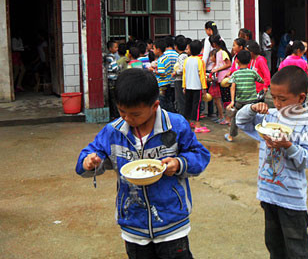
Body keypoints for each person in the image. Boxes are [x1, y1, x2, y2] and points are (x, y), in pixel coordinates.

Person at [76, 68, 210, 259]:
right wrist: (89, 161)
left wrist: (179, 164)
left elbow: (200, 155)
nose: (128, 118)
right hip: (133, 223)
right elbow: (89, 154)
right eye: (122, 112)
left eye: (135, 114)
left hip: (171, 223)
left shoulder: (175, 126)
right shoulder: (113, 131)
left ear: (155, 106)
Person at [236, 65, 308, 259]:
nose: (277, 103)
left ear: (300, 98)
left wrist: (287, 145)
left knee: (297, 249)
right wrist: (251, 108)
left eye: (282, 99)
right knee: (274, 244)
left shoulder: (306, 122)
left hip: (291, 199)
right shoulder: (270, 116)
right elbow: (241, 122)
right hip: (268, 193)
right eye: (273, 98)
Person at [225, 50, 263, 142]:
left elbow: (232, 88)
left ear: (237, 61)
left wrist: (232, 101)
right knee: (255, 117)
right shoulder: (253, 73)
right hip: (252, 101)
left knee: (235, 118)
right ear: (250, 61)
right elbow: (261, 80)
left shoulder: (235, 74)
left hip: (240, 101)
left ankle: (231, 136)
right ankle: (260, 135)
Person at [182, 40, 209, 134]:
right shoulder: (200, 61)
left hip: (188, 86)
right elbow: (202, 75)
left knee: (188, 105)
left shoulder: (186, 60)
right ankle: (197, 125)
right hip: (197, 87)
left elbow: (184, 74)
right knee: (196, 106)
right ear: (200, 50)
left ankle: (187, 122)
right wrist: (204, 87)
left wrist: (184, 86)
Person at [209, 34, 232, 124]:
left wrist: (217, 69)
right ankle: (224, 117)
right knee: (223, 99)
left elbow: (228, 64)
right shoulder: (218, 52)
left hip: (225, 79)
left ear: (214, 44)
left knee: (227, 100)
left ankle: (228, 119)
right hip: (221, 80)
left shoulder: (222, 52)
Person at [202, 21, 219, 118]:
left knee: (209, 91)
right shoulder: (221, 38)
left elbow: (205, 56)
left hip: (209, 69)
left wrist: (202, 68)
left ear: (209, 30)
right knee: (217, 91)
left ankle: (210, 111)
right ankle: (217, 112)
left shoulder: (208, 40)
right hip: (218, 68)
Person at [157, 37, 178, 113]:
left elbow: (162, 72)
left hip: (163, 82)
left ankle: (165, 114)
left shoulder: (163, 57)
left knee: (163, 101)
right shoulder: (176, 54)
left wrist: (154, 71)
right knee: (170, 100)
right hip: (173, 81)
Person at [173, 36, 189, 117]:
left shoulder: (182, 56)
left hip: (180, 80)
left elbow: (183, 69)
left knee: (180, 101)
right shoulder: (184, 55)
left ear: (176, 46)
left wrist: (175, 73)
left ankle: (183, 118)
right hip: (182, 80)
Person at [105, 40, 120, 119]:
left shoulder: (109, 57)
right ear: (110, 49)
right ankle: (115, 115)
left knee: (112, 98)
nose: (117, 49)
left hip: (110, 79)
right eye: (115, 47)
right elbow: (116, 68)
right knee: (114, 98)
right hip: (113, 80)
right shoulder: (111, 57)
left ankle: (114, 114)